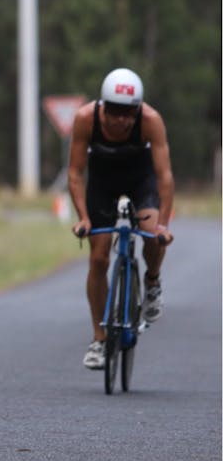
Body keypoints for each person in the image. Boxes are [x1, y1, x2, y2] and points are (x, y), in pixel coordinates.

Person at [67, 67, 174, 370]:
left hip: (141, 181)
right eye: (115, 111)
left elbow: (165, 177)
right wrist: (83, 218)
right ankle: (100, 340)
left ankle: (152, 283)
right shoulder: (85, 119)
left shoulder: (151, 121)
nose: (122, 120)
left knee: (152, 233)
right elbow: (75, 174)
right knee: (99, 258)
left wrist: (164, 225)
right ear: (103, 107)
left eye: (129, 112)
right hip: (102, 183)